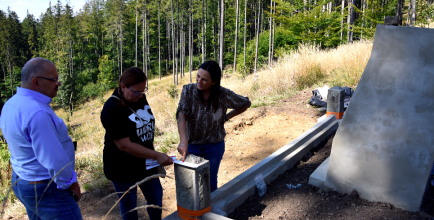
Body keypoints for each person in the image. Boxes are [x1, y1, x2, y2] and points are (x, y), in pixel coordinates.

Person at [0, 58, 82, 219]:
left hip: (23, 180)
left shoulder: (11, 104)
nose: (58, 84)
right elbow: (54, 159)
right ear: (36, 82)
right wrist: (71, 183)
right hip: (46, 187)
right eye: (54, 80)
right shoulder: (37, 113)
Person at [100, 67, 173, 220]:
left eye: (143, 91)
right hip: (122, 167)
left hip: (146, 162)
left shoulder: (138, 97)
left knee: (156, 199)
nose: (140, 95)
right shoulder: (111, 108)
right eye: (136, 92)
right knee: (129, 205)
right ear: (123, 87)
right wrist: (157, 155)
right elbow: (124, 145)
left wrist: (153, 156)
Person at [176, 60, 251, 192]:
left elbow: (245, 103)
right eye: (198, 76)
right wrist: (183, 141)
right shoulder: (188, 91)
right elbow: (181, 114)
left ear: (214, 81)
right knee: (192, 184)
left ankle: (210, 210)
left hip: (214, 145)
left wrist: (226, 117)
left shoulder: (223, 95)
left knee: (210, 181)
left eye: (204, 79)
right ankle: (194, 213)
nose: (199, 81)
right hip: (192, 144)